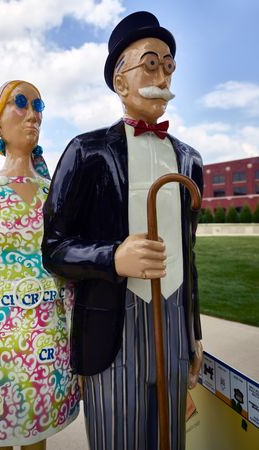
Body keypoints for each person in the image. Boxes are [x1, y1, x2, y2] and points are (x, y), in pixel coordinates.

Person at [42, 11, 203, 450]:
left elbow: (188, 256)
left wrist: (194, 333)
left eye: (168, 64)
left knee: (170, 440)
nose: (163, 74)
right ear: (120, 80)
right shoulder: (86, 152)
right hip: (113, 327)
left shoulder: (190, 160)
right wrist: (113, 257)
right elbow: (54, 249)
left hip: (171, 322)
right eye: (150, 63)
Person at [0, 80, 79, 450]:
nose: (33, 113)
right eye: (20, 103)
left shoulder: (54, 195)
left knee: (37, 444)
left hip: (48, 353)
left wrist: (79, 351)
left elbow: (68, 280)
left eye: (38, 105)